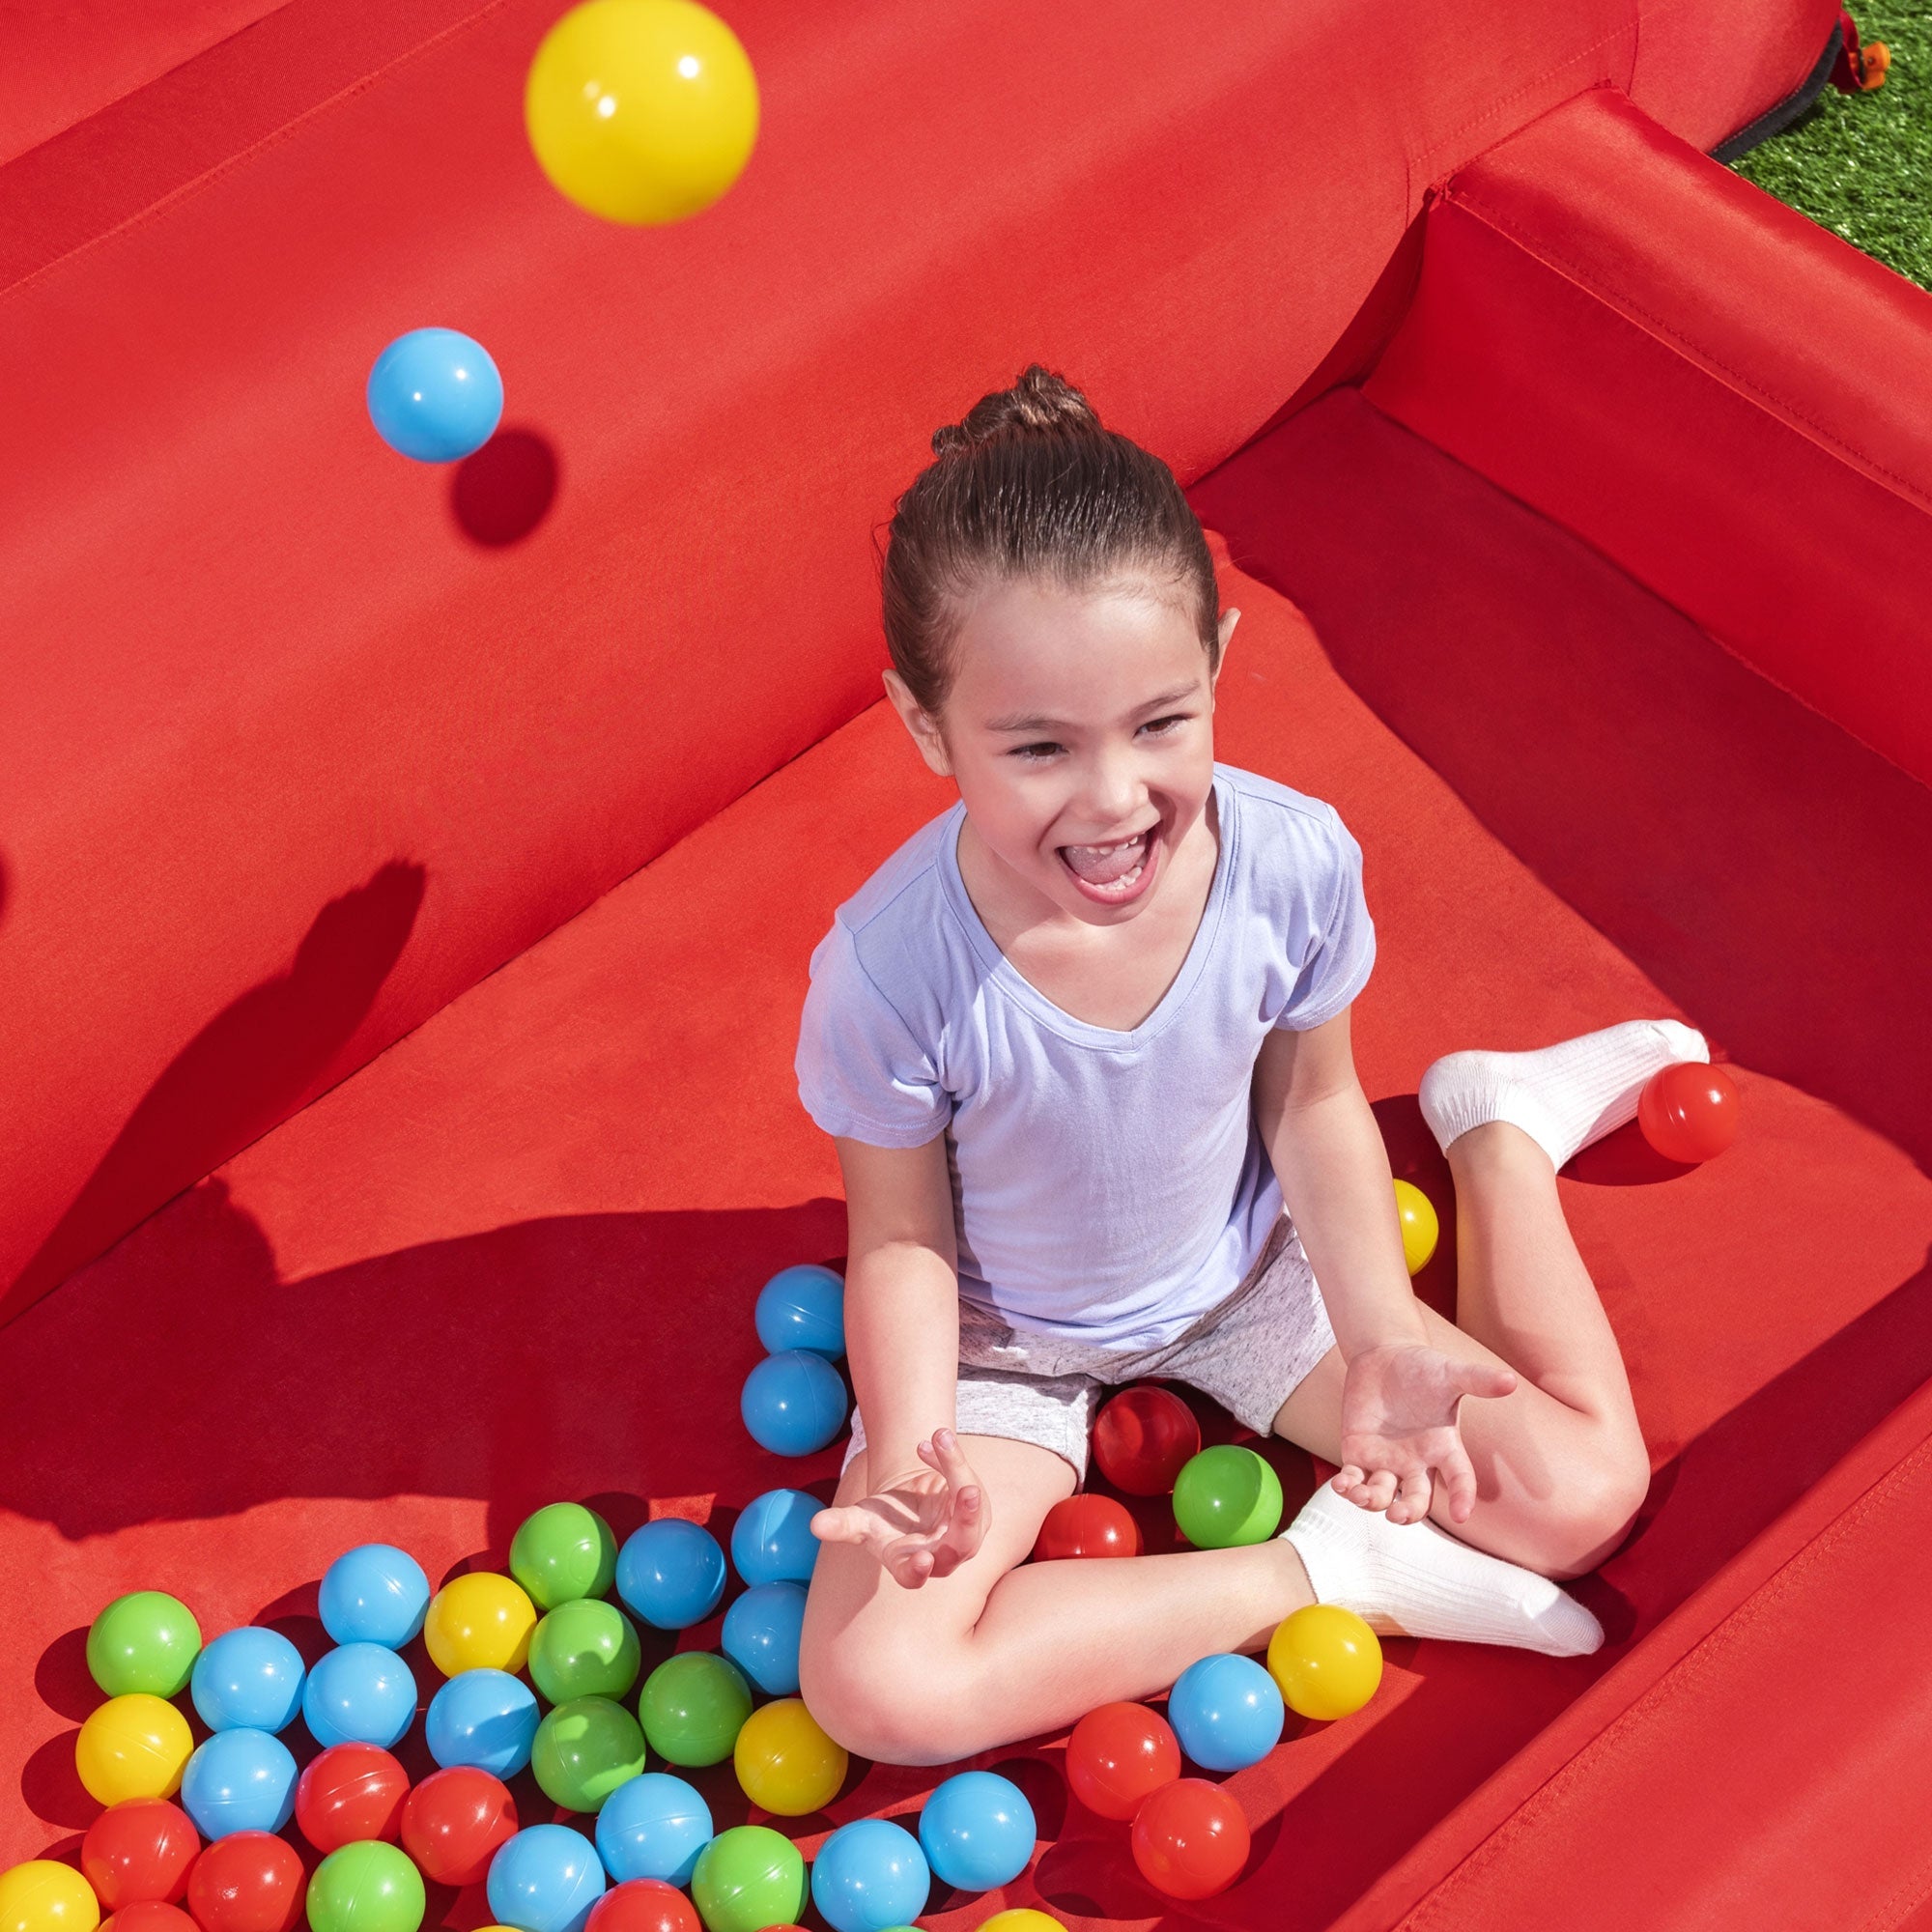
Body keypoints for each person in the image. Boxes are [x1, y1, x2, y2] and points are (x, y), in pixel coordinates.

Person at [793, 366, 1676, 1767]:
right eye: (1038, 748)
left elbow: (1313, 1103)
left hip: (1249, 1283)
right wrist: (912, 1447)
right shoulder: (891, 969)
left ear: (1218, 662)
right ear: (924, 727)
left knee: (1580, 1501)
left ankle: (1498, 1134)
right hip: (1004, 1349)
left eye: (1161, 723)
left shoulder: (1290, 864)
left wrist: (1379, 1334)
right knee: (875, 1691)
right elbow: (900, 1240)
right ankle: (1327, 1571)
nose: (1114, 800)